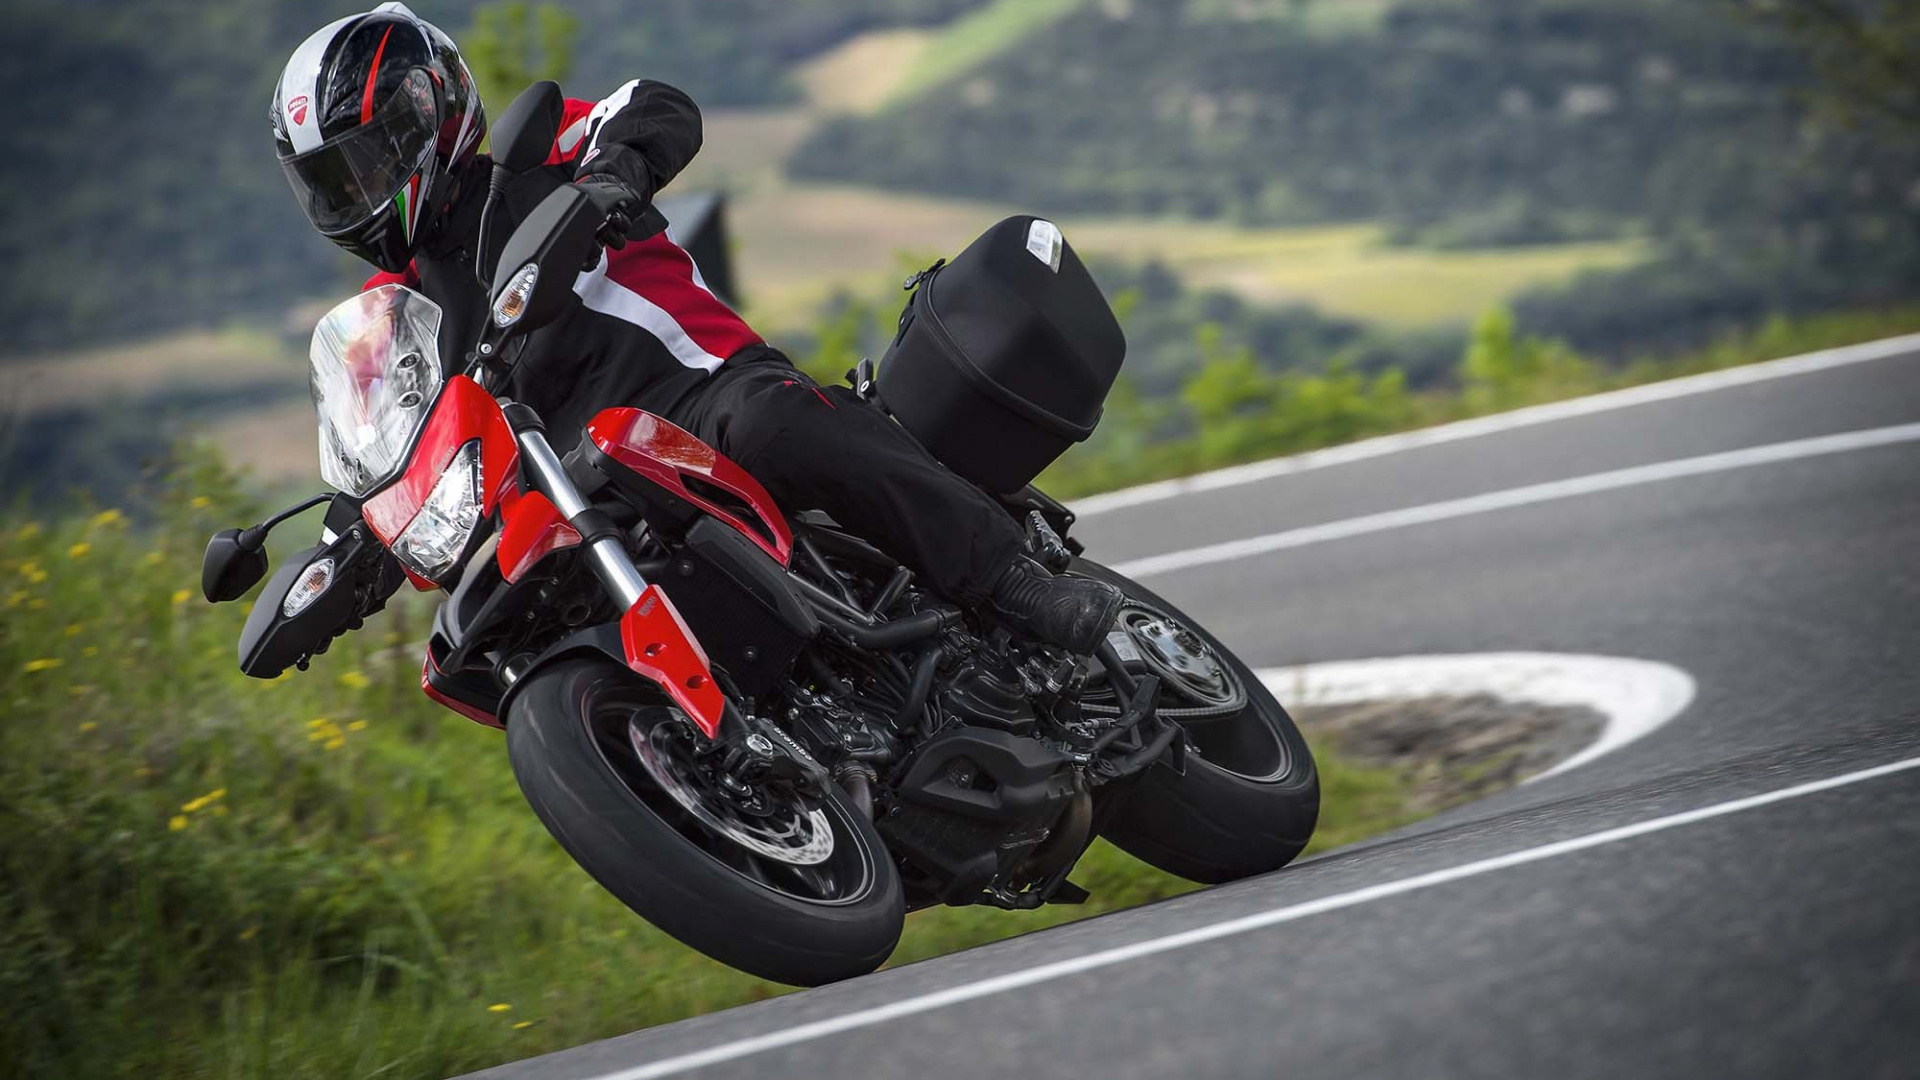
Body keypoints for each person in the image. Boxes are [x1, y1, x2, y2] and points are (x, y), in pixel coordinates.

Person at [270, 3, 1122, 654]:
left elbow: (652, 105)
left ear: (430, 112)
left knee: (773, 423)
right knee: (503, 626)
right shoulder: (395, 322)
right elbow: (383, 456)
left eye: (369, 163)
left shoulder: (530, 166)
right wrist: (333, 562)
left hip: (699, 395)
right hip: (580, 492)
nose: (358, 196)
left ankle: (1008, 576)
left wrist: (611, 179)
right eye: (334, 185)